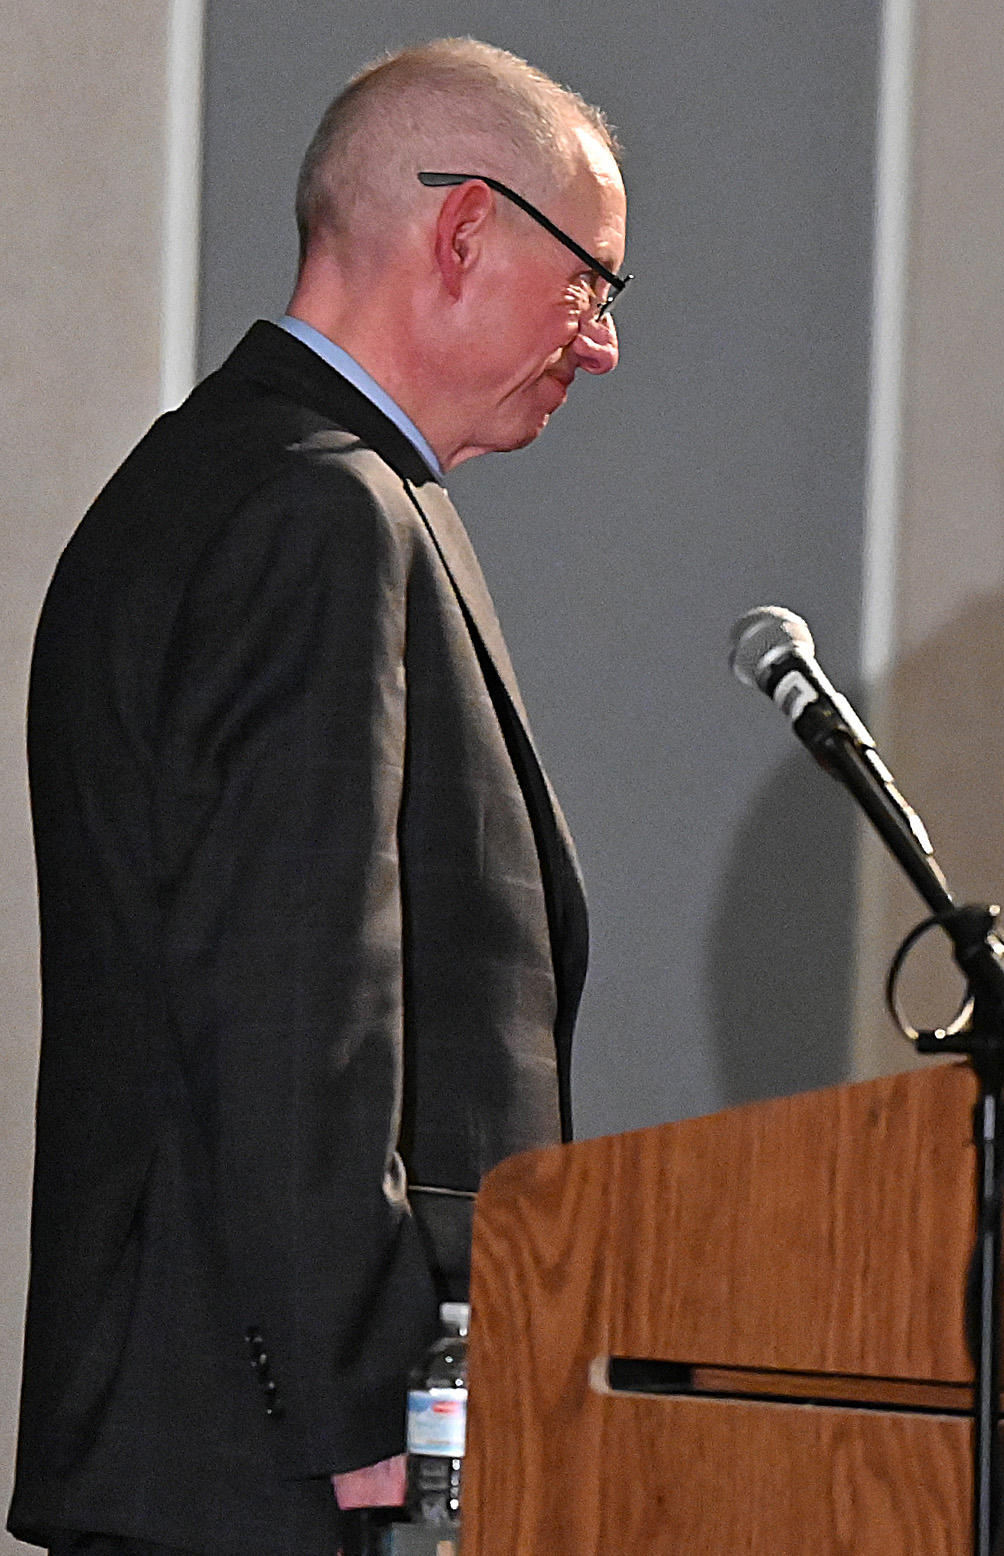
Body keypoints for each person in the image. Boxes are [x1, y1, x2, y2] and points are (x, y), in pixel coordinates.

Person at [15, 39, 623, 1554]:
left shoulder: (217, 476)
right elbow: (297, 1006)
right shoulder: (319, 511)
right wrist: (368, 1422)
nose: (599, 342)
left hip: (218, 1432)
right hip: (277, 1470)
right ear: (466, 229)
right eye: (591, 284)